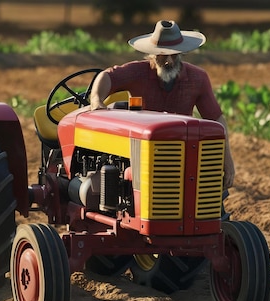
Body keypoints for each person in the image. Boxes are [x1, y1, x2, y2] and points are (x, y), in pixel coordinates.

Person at [90, 20, 235, 189]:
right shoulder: (137, 72)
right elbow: (107, 76)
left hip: (183, 153)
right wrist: (96, 100)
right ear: (153, 54)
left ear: (181, 53)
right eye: (163, 55)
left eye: (173, 55)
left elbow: (216, 119)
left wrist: (227, 159)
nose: (169, 62)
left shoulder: (198, 78)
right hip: (142, 153)